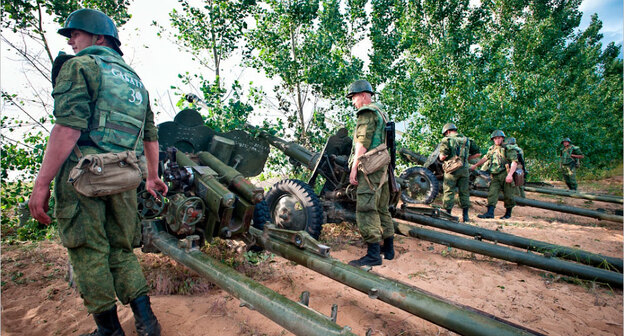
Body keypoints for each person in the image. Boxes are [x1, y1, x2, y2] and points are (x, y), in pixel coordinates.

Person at [28, 8, 167, 336]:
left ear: (99, 37)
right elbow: (150, 134)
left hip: (83, 178)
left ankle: (109, 330)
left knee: (89, 251)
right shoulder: (135, 81)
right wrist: (151, 175)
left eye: (75, 33)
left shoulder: (80, 67)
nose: (72, 40)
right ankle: (147, 323)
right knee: (121, 248)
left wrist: (42, 183)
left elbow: (67, 128)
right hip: (125, 177)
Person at [346, 79, 395, 267]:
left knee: (366, 208)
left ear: (364, 96)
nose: (353, 102)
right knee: (382, 207)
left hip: (369, 167)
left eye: (354, 97)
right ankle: (388, 249)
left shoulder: (367, 112)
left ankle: (373, 254)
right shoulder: (381, 112)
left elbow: (362, 142)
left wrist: (353, 167)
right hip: (382, 165)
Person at [470, 130, 518, 219]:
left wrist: (510, 175)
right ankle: (490, 213)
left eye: (499, 138)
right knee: (492, 194)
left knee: (508, 195)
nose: (497, 140)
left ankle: (508, 214)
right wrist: (475, 165)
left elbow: (514, 162)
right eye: (495, 138)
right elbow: (485, 158)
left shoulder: (508, 149)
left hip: (505, 173)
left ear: (503, 138)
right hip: (495, 175)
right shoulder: (492, 149)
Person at [437, 123, 481, 222]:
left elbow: (442, 157)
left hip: (452, 170)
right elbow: (478, 153)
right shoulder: (467, 140)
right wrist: (465, 159)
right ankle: (465, 216)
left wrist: (443, 157)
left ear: (447, 132)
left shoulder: (446, 140)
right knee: (464, 192)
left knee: (449, 190)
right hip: (464, 169)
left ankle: (447, 214)